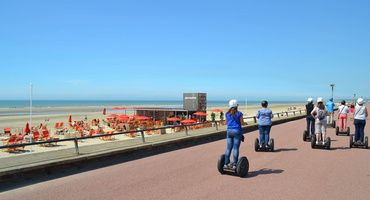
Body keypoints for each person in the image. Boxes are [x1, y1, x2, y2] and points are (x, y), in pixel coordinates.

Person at [224, 99, 246, 169]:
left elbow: (226, 123)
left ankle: (226, 163)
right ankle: (234, 163)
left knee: (229, 148)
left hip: (229, 131)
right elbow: (242, 123)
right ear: (237, 106)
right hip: (237, 131)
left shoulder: (227, 114)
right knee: (236, 148)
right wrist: (245, 123)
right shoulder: (239, 113)